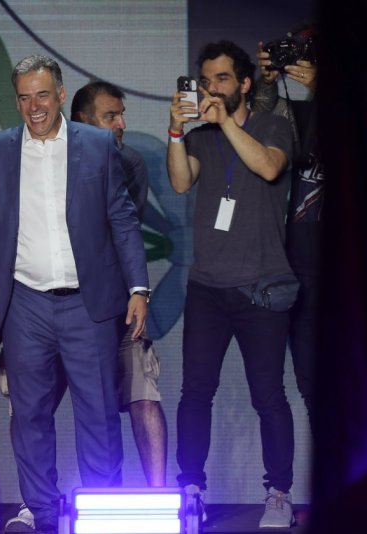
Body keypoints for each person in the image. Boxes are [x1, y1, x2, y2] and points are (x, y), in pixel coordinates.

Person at [0, 55, 149, 534]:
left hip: (90, 303)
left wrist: (138, 287)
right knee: (30, 416)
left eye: (42, 94)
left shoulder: (97, 144)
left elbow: (121, 218)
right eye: (23, 96)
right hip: (25, 304)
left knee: (98, 416)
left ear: (60, 94)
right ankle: (40, 514)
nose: (33, 106)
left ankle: (101, 515)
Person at [166, 41, 296, 529]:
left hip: (262, 288)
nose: (211, 88)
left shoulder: (273, 125)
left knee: (268, 394)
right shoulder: (200, 136)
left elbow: (268, 166)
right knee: (196, 392)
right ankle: (191, 487)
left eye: (222, 79)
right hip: (207, 288)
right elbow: (181, 182)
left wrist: (223, 122)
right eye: (205, 80)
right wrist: (177, 131)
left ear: (244, 84)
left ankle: (278, 492)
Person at [70, 81, 167, 488]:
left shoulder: (129, 163)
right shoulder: (45, 164)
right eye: (111, 116)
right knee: (31, 403)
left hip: (117, 300)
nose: (122, 123)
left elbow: (123, 231)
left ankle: (161, 499)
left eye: (121, 114)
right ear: (82, 121)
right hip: (54, 305)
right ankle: (33, 504)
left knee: (143, 393)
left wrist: (136, 291)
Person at [255, 38, 322, 430]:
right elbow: (263, 121)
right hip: (298, 272)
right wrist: (266, 81)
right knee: (312, 386)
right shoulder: (292, 115)